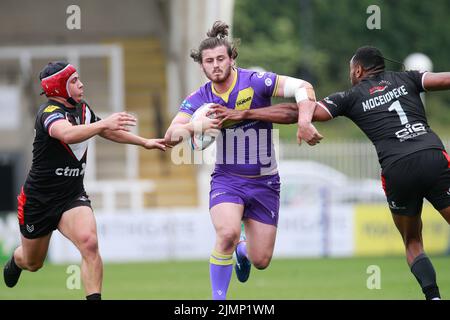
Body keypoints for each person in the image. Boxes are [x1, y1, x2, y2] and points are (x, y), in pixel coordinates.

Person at [215, 46, 450, 300]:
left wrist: (245, 113)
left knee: (413, 242)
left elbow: (299, 111)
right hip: (433, 157)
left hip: (397, 169)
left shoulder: (350, 96)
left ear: (358, 70)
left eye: (351, 71)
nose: (351, 75)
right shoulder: (409, 78)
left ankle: (433, 297)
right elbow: (445, 79)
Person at [164, 21, 321, 300]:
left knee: (261, 259)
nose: (215, 65)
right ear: (201, 66)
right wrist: (197, 126)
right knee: (226, 233)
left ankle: (243, 252)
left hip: (265, 181)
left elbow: (303, 87)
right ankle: (219, 301)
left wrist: (305, 121)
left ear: (232, 58)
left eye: (220, 59)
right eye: (209, 61)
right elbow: (171, 135)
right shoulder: (200, 99)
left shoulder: (256, 82)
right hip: (228, 179)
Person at [3, 61, 166, 300]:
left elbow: (106, 131)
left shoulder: (82, 109)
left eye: (79, 79)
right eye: (74, 81)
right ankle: (17, 261)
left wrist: (144, 142)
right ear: (59, 88)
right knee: (33, 262)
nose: (81, 84)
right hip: (39, 200)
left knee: (89, 244)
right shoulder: (48, 114)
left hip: (71, 196)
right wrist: (102, 123)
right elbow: (67, 134)